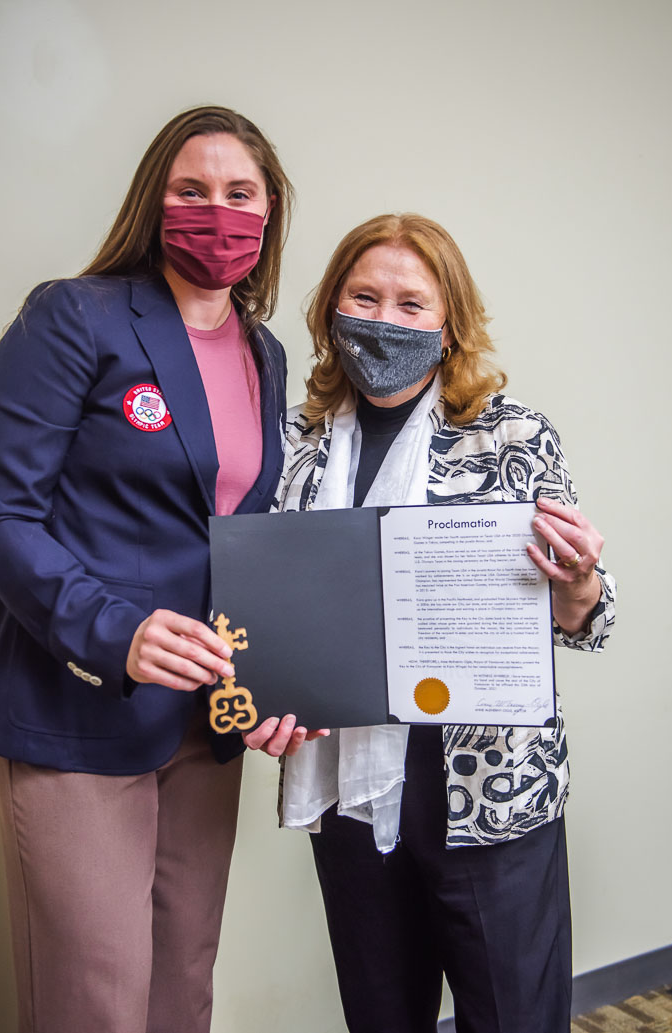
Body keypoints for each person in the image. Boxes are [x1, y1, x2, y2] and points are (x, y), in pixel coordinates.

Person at [0, 105, 294, 1033]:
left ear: (269, 216)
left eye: (239, 194)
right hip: (77, 706)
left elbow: (247, 535)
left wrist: (279, 680)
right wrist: (120, 632)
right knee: (95, 998)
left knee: (183, 980)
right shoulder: (77, 315)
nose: (215, 212)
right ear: (156, 200)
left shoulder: (263, 353)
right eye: (193, 190)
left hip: (207, 714)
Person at [264, 213, 616, 1033]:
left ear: (449, 322)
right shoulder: (296, 441)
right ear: (331, 308)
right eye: (364, 295)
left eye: (412, 303)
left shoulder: (511, 435)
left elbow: (581, 617)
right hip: (349, 790)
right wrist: (258, 689)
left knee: (514, 1016)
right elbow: (269, 606)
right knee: (381, 1014)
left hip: (485, 789)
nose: (384, 319)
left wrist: (581, 581)